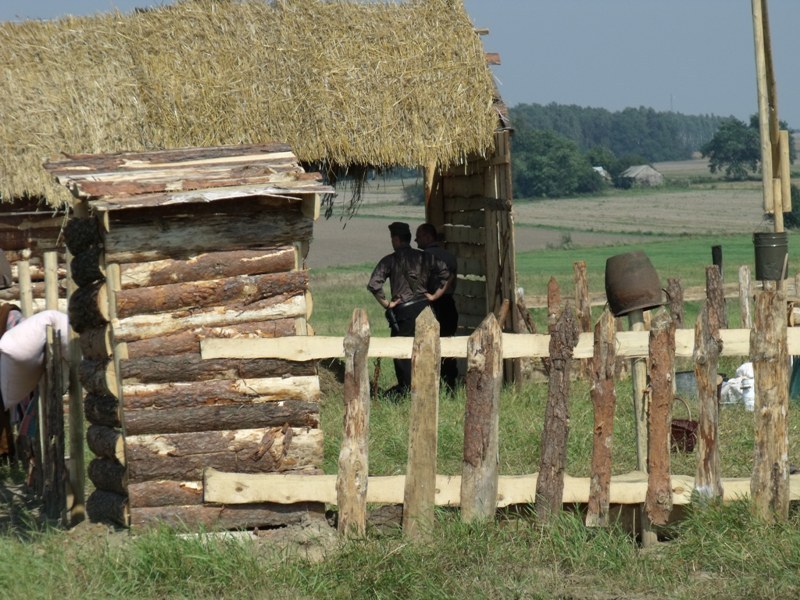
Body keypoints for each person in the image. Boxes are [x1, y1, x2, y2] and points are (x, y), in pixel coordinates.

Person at [367, 222, 449, 397]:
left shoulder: (390, 260)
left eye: (392, 239)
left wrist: (386, 304)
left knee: (401, 353)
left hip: (403, 314)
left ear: (396, 239)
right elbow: (446, 274)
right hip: (425, 309)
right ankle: (427, 389)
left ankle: (407, 391)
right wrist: (434, 296)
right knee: (426, 349)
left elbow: (374, 285)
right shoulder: (426, 257)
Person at [415, 223, 459, 390]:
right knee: (448, 344)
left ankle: (428, 384)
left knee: (427, 344)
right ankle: (449, 384)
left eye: (418, 237)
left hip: (429, 305)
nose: (416, 241)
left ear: (427, 237)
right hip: (448, 304)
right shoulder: (450, 257)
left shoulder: (422, 258)